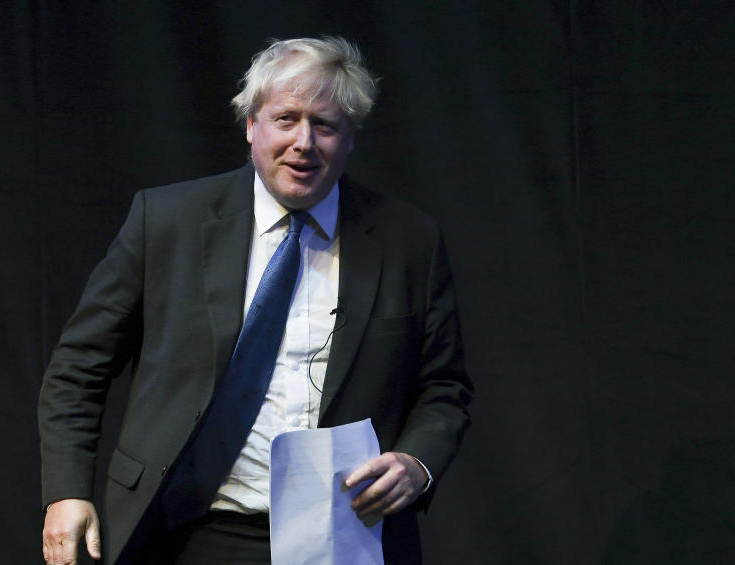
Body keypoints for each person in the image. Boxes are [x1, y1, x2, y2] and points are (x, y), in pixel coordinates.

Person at [39, 36, 472, 565]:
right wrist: (66, 490)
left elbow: (444, 386)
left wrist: (416, 462)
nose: (304, 142)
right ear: (251, 126)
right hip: (188, 532)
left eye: (326, 124)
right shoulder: (167, 221)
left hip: (348, 534)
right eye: (286, 118)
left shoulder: (409, 240)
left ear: (351, 136)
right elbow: (79, 367)